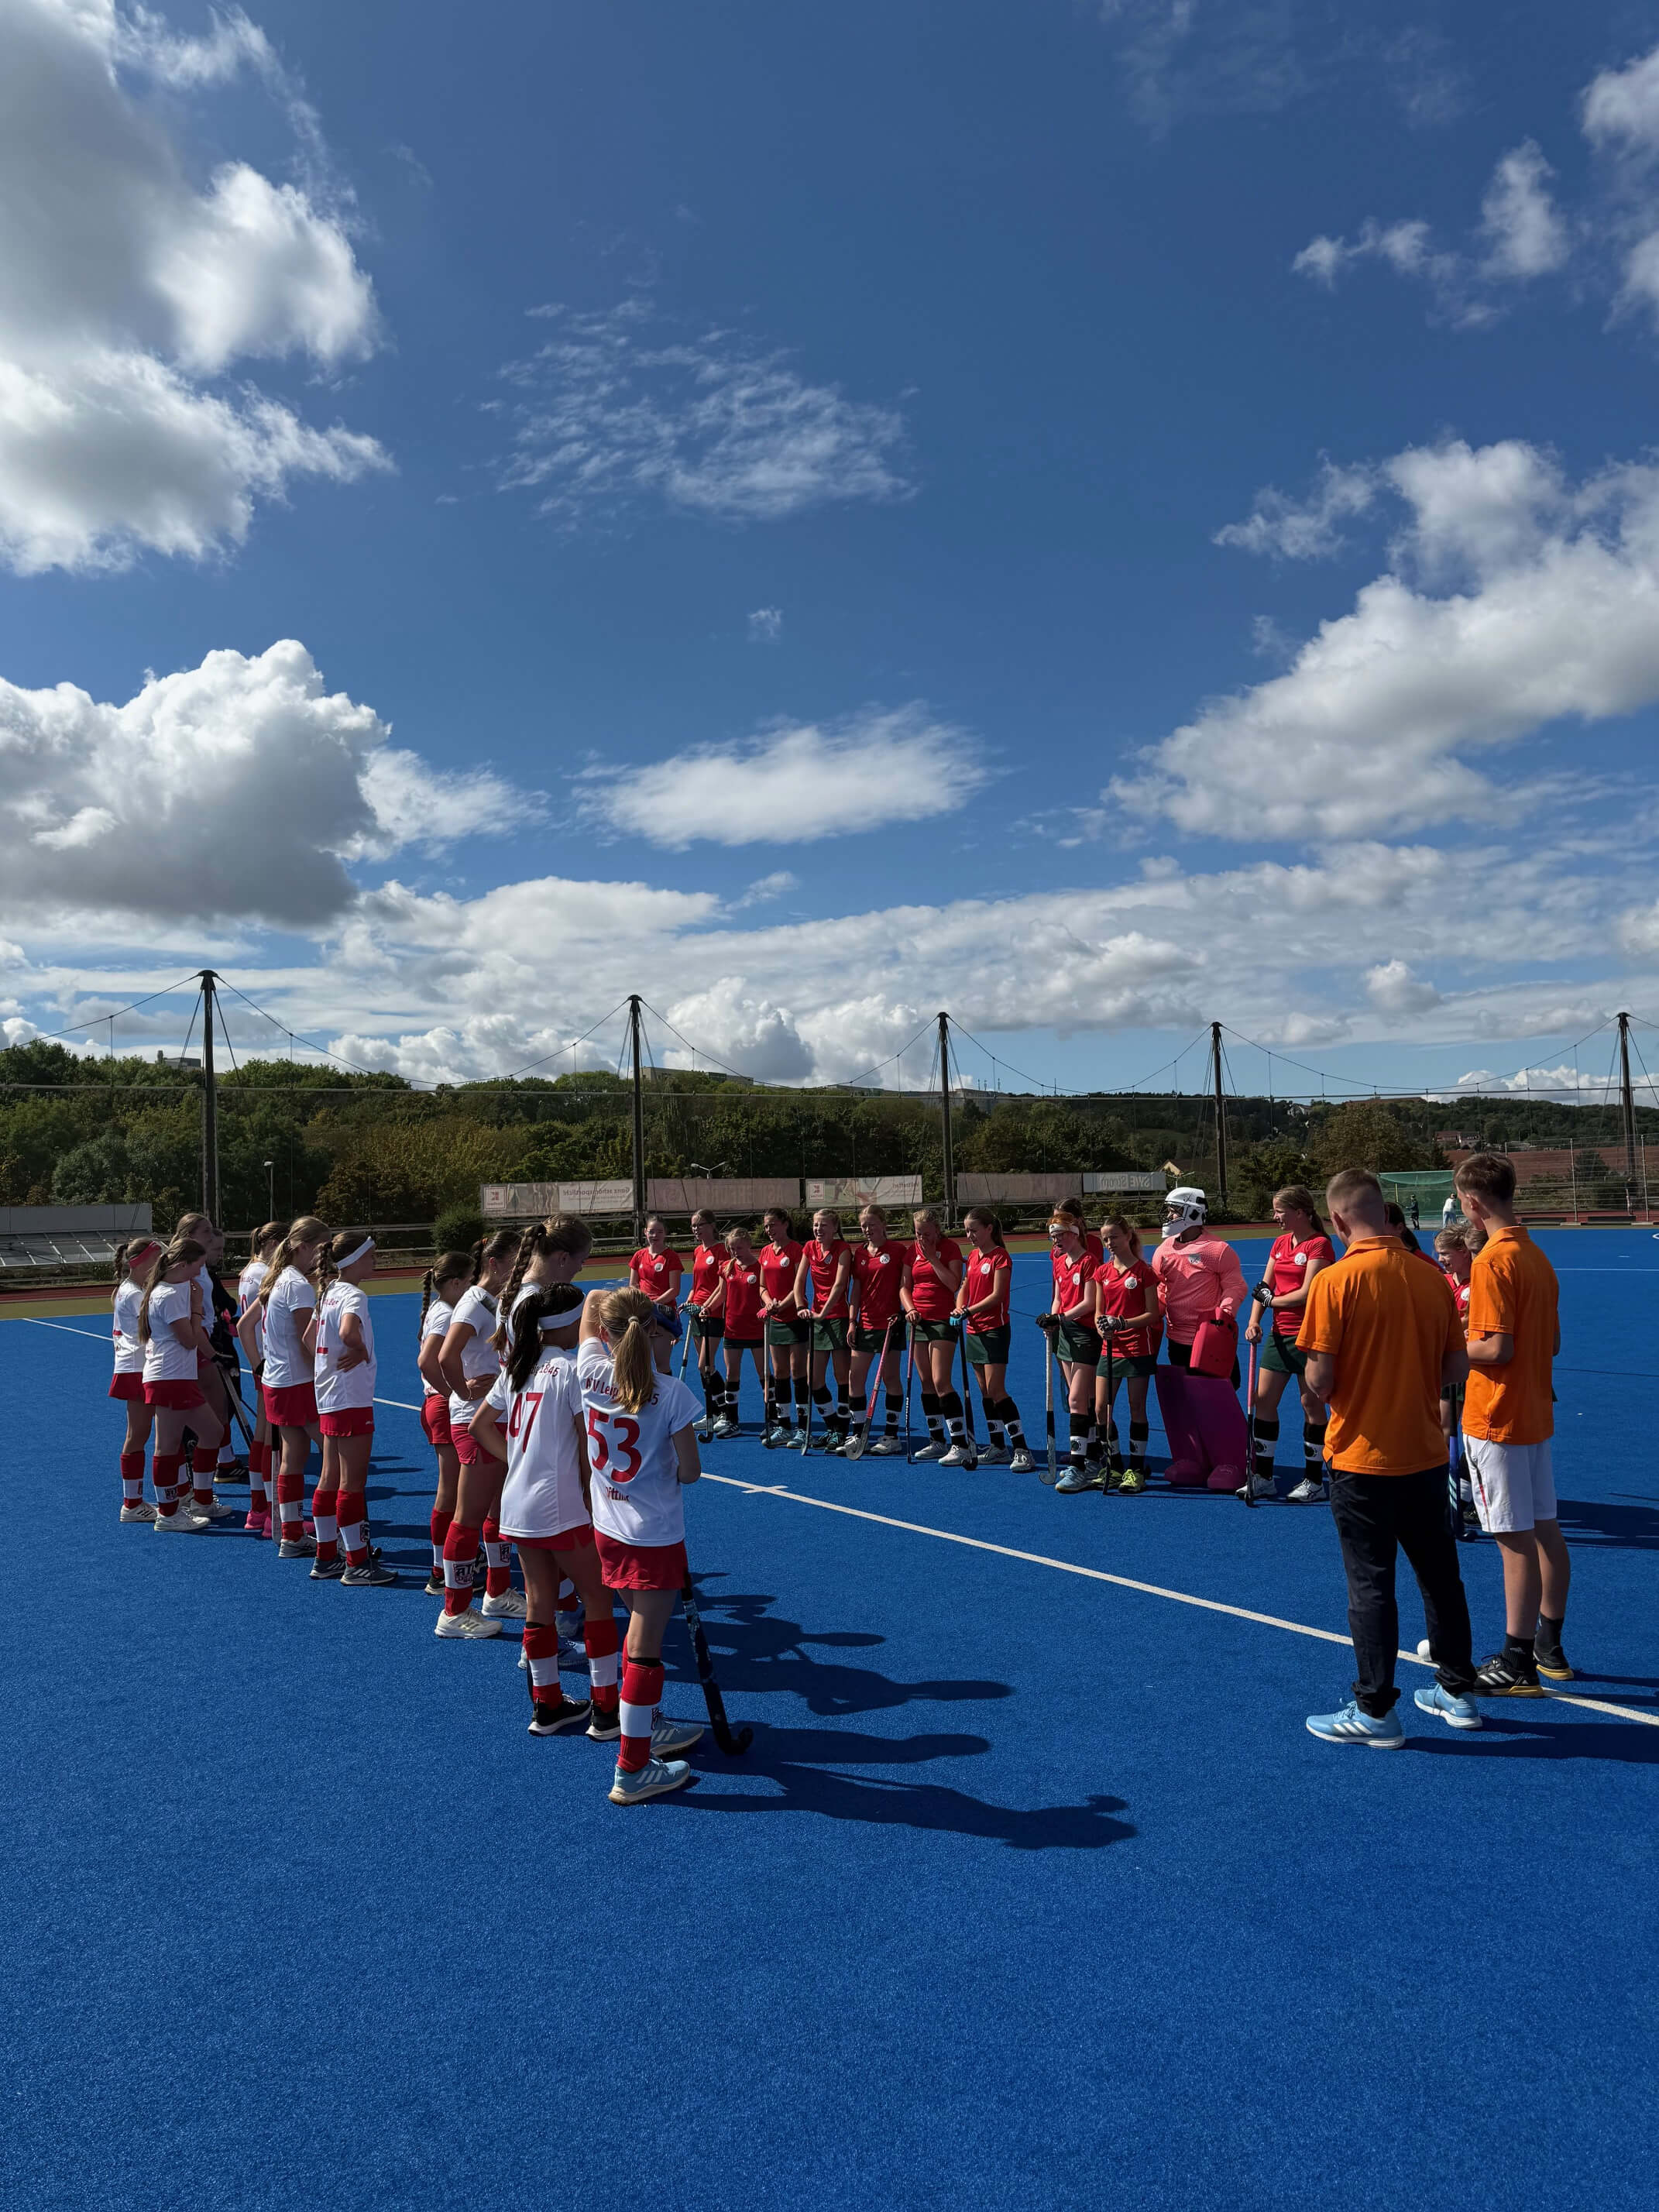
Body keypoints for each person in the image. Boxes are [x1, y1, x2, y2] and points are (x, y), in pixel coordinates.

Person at [1298, 1168, 1481, 1745]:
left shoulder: (1335, 1281)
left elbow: (1322, 1380)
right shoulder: (1431, 1278)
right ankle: (1457, 1690)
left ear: (1338, 1220)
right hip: (1424, 1450)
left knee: (1371, 1584)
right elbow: (1455, 1369)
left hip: (1362, 1456)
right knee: (1441, 1577)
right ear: (1384, 1211)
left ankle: (1376, 1709)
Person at [469, 1283, 620, 1737]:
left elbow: (480, 1427)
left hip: (519, 1502)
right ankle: (607, 1709)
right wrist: (597, 1502)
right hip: (560, 1504)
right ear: (571, 1324)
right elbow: (585, 1449)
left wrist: (519, 1461)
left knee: (539, 1600)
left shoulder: (519, 1367)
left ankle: (547, 1704)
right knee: (596, 1598)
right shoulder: (571, 1369)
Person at [576, 1286, 706, 1805]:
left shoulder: (588, 1370)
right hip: (652, 1532)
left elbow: (590, 1307)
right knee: (644, 1650)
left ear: (607, 1333)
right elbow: (691, 1472)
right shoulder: (670, 1392)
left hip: (607, 1526)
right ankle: (631, 1768)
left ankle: (648, 1721)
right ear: (652, 1328)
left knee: (637, 1631)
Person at [1455, 1152, 1571, 1689]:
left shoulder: (1492, 1260)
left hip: (1496, 1414)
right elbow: (1551, 1341)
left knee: (1513, 1538)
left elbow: (1496, 1347)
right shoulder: (1537, 1256)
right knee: (1544, 1528)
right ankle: (1549, 1646)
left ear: (1473, 1203)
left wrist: (1451, 1344)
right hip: (1532, 1411)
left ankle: (1516, 1660)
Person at [434, 1230, 521, 1637]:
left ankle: (497, 1592)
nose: (520, 1266)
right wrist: (463, 1390)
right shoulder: (472, 1301)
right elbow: (445, 1356)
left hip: (494, 1415)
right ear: (494, 1263)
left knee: (496, 1512)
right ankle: (453, 1611)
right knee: (468, 1518)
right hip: (475, 1419)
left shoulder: (494, 1301)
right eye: (515, 1259)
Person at [306, 1232, 397, 1586]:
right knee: (352, 1483)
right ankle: (357, 1562)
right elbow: (347, 1333)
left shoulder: (328, 1291)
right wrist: (358, 1349)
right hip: (350, 1395)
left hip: (329, 1394)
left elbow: (307, 1340)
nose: (375, 1261)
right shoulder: (353, 1295)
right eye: (371, 1255)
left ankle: (327, 1554)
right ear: (355, 1259)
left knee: (329, 1478)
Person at [1242, 1186, 1334, 1503]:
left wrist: (1273, 1301)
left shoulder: (1320, 1244)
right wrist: (1255, 1320)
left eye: (1280, 1210)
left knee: (1311, 1404)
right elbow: (1264, 1286)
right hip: (1279, 1334)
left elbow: (1309, 1292)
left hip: (1310, 1335)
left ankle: (1314, 1481)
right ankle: (1263, 1476)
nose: (1275, 1216)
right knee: (1263, 1399)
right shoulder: (1280, 1243)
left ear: (1300, 1212)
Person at [138, 1235, 225, 1530]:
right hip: (169, 1375)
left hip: (176, 1375)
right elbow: (188, 1340)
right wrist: (198, 1306)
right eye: (197, 1267)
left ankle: (200, 1500)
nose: (199, 1273)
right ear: (182, 1264)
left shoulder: (168, 1291)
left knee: (212, 1431)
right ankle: (168, 1513)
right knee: (167, 1446)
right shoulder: (170, 1295)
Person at [255, 1215, 330, 1557]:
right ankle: (337, 1537)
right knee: (335, 1457)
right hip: (297, 1380)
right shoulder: (297, 1284)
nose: (326, 1256)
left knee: (294, 1456)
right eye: (322, 1248)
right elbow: (307, 1340)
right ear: (304, 1247)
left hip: (279, 1379)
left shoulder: (281, 1279)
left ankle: (291, 1533)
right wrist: (327, 1374)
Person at [956, 1207, 1033, 1470]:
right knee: (985, 1393)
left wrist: (969, 1310)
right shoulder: (973, 1256)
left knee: (997, 1391)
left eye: (974, 1230)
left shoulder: (1001, 1257)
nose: (970, 1235)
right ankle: (998, 1446)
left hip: (994, 1329)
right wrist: (959, 1307)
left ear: (989, 1229)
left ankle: (1022, 1448)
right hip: (973, 1331)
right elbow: (965, 1287)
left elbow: (998, 1295)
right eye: (967, 1231)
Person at [1090, 1214, 1159, 1494]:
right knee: (1099, 1408)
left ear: (1128, 1235)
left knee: (1136, 1407)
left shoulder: (1144, 1272)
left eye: (1114, 1237)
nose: (1110, 1243)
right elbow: (1098, 1312)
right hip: (1111, 1348)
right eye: (1106, 1239)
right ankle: (1115, 1465)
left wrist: (1123, 1323)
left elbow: (1153, 1314)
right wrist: (1102, 1328)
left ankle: (1137, 1468)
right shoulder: (1102, 1272)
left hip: (1138, 1348)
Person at [417, 1250, 472, 1595]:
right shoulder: (447, 1313)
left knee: (455, 1490)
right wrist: (454, 1392)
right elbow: (427, 1360)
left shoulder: (441, 1309)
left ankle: (449, 1561)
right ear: (455, 1283)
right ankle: (440, 1569)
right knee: (451, 1491)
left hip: (438, 1403)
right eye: (468, 1281)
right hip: (442, 1405)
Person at [1146, 1187, 1246, 1376]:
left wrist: (1222, 1317)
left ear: (1192, 1212)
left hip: (1211, 1339)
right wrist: (1151, 1314)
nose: (1169, 1215)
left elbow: (1235, 1286)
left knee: (1218, 1397)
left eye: (1174, 1210)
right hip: (1176, 1339)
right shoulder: (1164, 1249)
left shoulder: (1216, 1249)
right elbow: (1161, 1288)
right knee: (1187, 1398)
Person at [1044, 1209, 1104, 1489]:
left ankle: (1077, 1468)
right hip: (1065, 1333)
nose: (1056, 1241)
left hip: (1085, 1334)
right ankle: (1093, 1455)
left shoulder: (1089, 1262)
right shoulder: (1059, 1261)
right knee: (1080, 1399)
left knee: (1077, 1400)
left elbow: (1090, 1302)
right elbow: (1058, 1297)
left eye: (1060, 1236)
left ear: (1074, 1234)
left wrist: (1062, 1317)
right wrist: (1052, 1319)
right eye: (1053, 1237)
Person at [901, 1207, 965, 1460]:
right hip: (918, 1321)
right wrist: (910, 1308)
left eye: (927, 1234)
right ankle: (937, 1439)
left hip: (942, 1320)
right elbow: (904, 1287)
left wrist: (932, 1258)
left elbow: (953, 1284)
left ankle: (961, 1442)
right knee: (926, 1383)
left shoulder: (950, 1248)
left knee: (941, 1381)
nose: (922, 1239)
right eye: (918, 1234)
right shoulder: (910, 1251)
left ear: (937, 1230)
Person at [843, 1204, 908, 1457]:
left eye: (872, 1224)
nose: (867, 1229)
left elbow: (905, 1285)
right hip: (866, 1324)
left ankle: (892, 1436)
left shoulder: (898, 1251)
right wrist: (852, 1320)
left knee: (891, 1379)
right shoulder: (859, 1253)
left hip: (891, 1324)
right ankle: (858, 1432)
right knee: (855, 1378)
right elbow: (856, 1288)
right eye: (864, 1225)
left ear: (883, 1224)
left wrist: (902, 1312)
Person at [110, 1234, 162, 1520]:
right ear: (142, 1263)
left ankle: (141, 1500)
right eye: (157, 1261)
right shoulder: (134, 1293)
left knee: (145, 1434)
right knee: (140, 1435)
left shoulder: (127, 1289)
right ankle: (132, 1503)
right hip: (137, 1367)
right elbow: (155, 1327)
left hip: (134, 1366)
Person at [235, 1224, 282, 1535]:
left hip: (262, 1363)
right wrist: (260, 1364)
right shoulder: (267, 1274)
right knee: (272, 1439)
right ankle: (269, 1513)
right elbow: (251, 1323)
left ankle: (258, 1508)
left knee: (264, 1436)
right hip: (271, 1364)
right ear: (275, 1243)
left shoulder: (249, 1271)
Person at [796, 1207, 854, 1453]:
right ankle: (831, 1426)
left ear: (835, 1227)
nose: (819, 1229)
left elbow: (840, 1285)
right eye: (816, 1225)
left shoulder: (843, 1250)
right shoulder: (809, 1247)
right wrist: (801, 1305)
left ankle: (841, 1431)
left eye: (824, 1225)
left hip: (837, 1317)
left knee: (842, 1378)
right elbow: (799, 1280)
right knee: (814, 1379)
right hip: (817, 1319)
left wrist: (824, 1311)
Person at [1434, 1226, 1477, 1527]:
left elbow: (1467, 1324)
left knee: (1469, 1433)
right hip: (1445, 1365)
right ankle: (1449, 1492)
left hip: (1471, 1368)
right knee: (1443, 1426)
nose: (1441, 1259)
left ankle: (1468, 1494)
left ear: (1464, 1252)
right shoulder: (1445, 1282)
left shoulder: (1479, 1282)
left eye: (1446, 1254)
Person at [759, 1207, 807, 1444]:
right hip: (775, 1319)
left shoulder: (796, 1250)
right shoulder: (766, 1252)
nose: (769, 1230)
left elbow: (798, 1286)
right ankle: (785, 1425)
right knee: (779, 1374)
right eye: (767, 1226)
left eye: (773, 1225)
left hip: (795, 1317)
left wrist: (782, 1305)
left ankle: (803, 1428)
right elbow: (761, 1286)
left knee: (798, 1372)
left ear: (785, 1224)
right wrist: (769, 1303)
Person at [716, 1226, 767, 1437]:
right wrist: (706, 1309)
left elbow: (767, 1291)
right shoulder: (727, 1267)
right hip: (732, 1328)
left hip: (756, 1328)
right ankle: (732, 1421)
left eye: (739, 1247)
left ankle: (773, 1419)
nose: (735, 1251)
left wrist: (767, 1307)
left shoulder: (760, 1267)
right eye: (732, 1248)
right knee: (731, 1374)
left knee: (763, 1374)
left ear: (749, 1245)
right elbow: (721, 1293)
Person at [685, 1208, 726, 1437]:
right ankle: (713, 1412)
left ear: (712, 1225)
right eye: (693, 1226)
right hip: (697, 1311)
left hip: (713, 1313)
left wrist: (705, 1307)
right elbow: (696, 1284)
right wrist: (689, 1301)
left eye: (700, 1225)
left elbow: (723, 1286)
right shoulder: (697, 1251)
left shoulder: (721, 1251)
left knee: (705, 1366)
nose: (696, 1229)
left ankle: (722, 1412)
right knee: (706, 1368)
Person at [629, 1216, 684, 1375]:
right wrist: (642, 1303)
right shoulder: (638, 1256)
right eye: (651, 1232)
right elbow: (633, 1285)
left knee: (661, 1365)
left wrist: (653, 1305)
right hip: (642, 1313)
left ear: (665, 1233)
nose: (655, 1235)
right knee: (641, 1364)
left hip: (663, 1315)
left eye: (659, 1231)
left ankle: (664, 1399)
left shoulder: (671, 1257)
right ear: (645, 1232)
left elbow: (674, 1290)